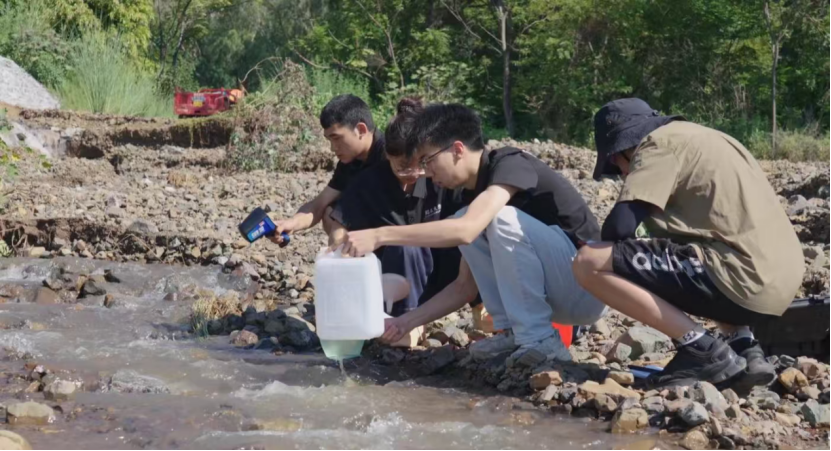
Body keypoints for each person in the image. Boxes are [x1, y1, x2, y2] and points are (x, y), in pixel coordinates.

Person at [339, 104, 607, 367]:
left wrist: (379, 235)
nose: (427, 173)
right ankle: (514, 333)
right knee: (468, 218)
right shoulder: (469, 199)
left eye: (428, 161)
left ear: (457, 149)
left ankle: (539, 338)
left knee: (496, 218)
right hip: (557, 291)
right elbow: (463, 287)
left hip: (588, 287)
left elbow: (466, 230)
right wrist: (403, 323)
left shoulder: (510, 163)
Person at [572, 99, 805, 390]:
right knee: (700, 245)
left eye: (615, 165)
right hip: (781, 280)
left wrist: (611, 253)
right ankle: (744, 346)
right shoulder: (709, 138)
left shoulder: (657, 144)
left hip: (743, 279)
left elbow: (619, 228)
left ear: (623, 147)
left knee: (588, 261)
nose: (621, 174)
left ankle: (700, 349)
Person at [328, 98, 441, 317]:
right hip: (388, 278)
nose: (413, 175)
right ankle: (400, 317)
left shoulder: (439, 179)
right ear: (388, 155)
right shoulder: (369, 184)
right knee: (402, 248)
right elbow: (340, 223)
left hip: (437, 274)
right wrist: (337, 255)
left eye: (420, 165)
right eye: (403, 168)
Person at [268, 95, 385, 246]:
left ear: (360, 129)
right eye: (329, 140)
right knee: (331, 213)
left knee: (340, 219)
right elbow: (319, 204)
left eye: (337, 138)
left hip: (400, 234)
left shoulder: (392, 154)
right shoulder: (350, 162)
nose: (332, 148)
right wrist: (292, 223)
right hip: (371, 231)